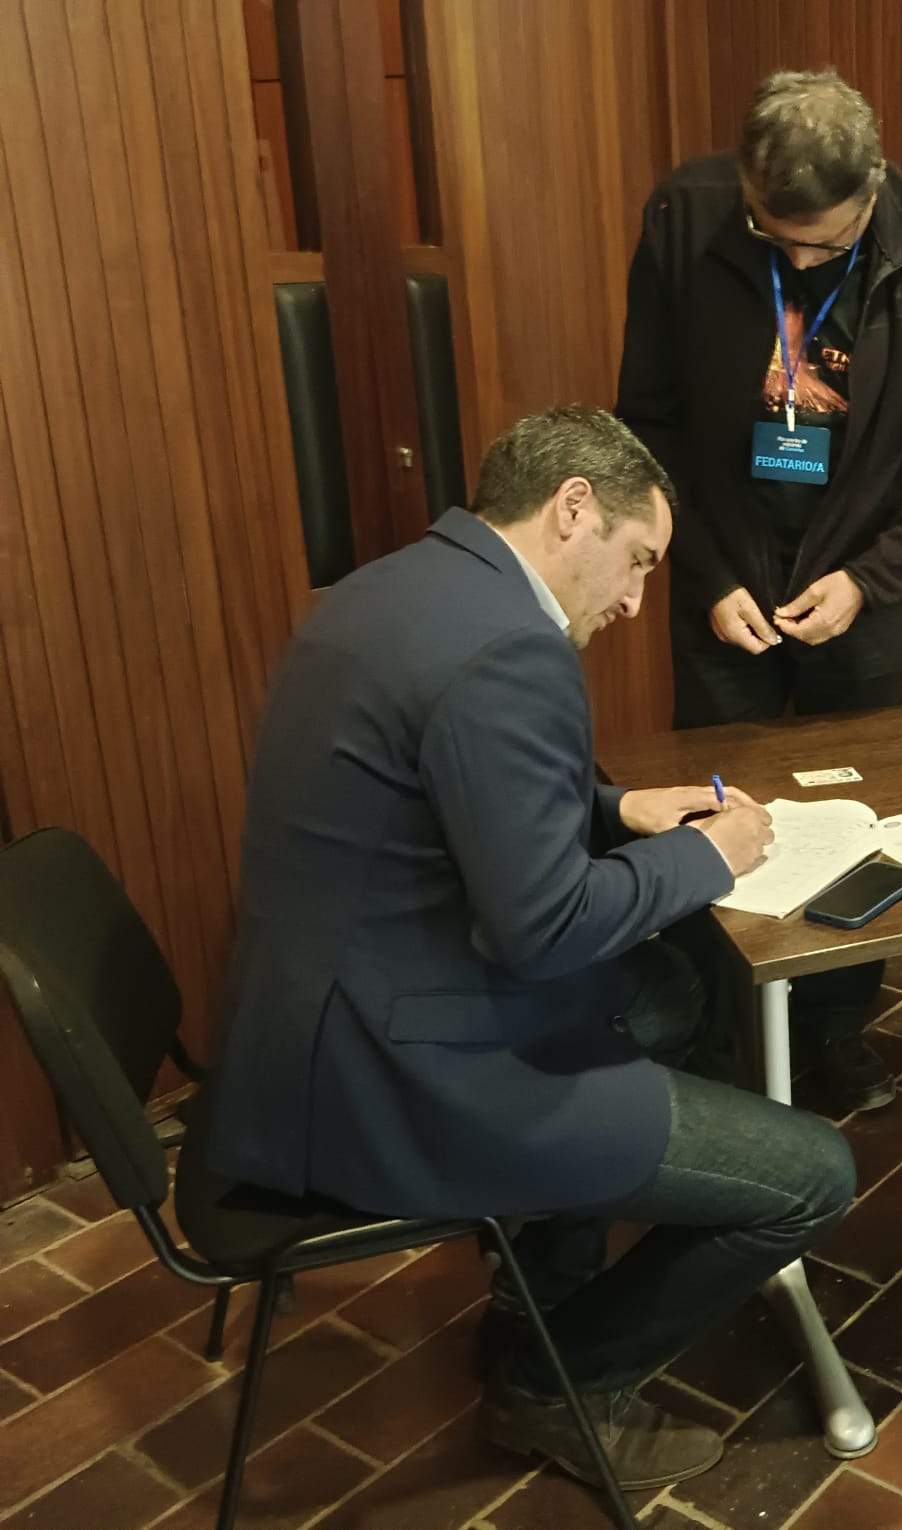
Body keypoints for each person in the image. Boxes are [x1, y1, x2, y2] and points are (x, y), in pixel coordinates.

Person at [202, 406, 855, 1493]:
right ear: (573, 509)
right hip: (396, 1074)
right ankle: (555, 1381)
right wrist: (718, 856)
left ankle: (540, 1289)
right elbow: (544, 929)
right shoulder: (516, 649)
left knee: (667, 987)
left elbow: (451, 801)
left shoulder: (395, 588)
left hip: (305, 1030)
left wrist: (617, 808)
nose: (639, 600)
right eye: (639, 562)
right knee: (815, 1176)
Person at [617, 68, 902, 1116]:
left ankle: (835, 1031)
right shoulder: (686, 216)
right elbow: (645, 422)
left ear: (874, 191)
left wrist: (874, 580)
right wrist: (698, 575)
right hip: (721, 584)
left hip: (857, 593)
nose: (795, 257)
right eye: (774, 234)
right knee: (715, 811)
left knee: (854, 819)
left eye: (822, 246)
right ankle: (715, 1034)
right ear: (745, 185)